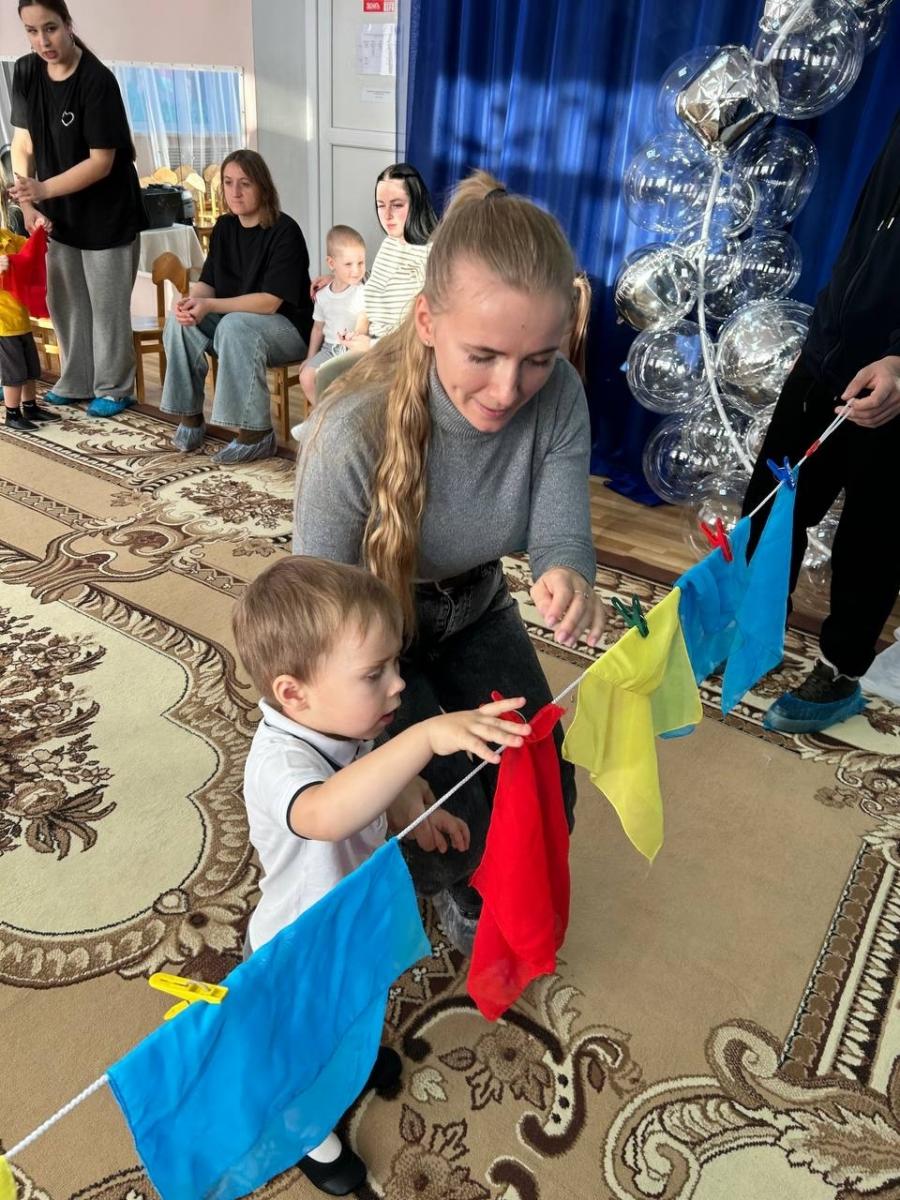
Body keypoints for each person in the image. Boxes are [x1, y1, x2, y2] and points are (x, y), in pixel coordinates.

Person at [293, 170, 605, 953]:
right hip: (365, 638)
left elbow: (562, 534)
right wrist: (381, 770)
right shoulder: (351, 431)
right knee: (433, 814)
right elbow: (318, 628)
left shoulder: (560, 394)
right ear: (428, 321)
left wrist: (568, 574)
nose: (509, 388)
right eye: (484, 355)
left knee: (542, 784)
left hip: (476, 606)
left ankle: (477, 890)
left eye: (538, 359)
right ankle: (439, 892)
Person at [232, 554, 528, 1196]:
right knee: (298, 1053)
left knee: (356, 1010)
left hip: (351, 922)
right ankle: (309, 1135)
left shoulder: (342, 722)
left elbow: (373, 784)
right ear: (294, 693)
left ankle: (351, 1066)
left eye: (396, 664)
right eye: (375, 674)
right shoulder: (280, 762)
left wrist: (416, 808)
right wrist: (423, 741)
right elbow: (327, 812)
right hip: (297, 951)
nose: (398, 685)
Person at [741, 109, 900, 734]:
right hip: (828, 355)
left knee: (872, 540)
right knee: (770, 504)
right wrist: (826, 332)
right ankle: (752, 633)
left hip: (894, 388)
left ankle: (840, 673)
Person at [10, 0, 148, 418]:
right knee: (66, 302)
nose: (42, 41)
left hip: (108, 212)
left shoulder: (97, 80)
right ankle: (76, 381)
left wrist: (42, 188)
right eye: (32, 31)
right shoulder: (26, 72)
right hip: (58, 213)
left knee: (106, 308)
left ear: (68, 24)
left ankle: (114, 387)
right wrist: (29, 203)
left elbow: (101, 162)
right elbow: (22, 143)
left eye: (50, 28)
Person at [159, 149, 313, 465]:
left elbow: (269, 302)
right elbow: (208, 282)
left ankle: (256, 434)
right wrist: (191, 302)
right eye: (228, 183)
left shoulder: (285, 231)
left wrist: (209, 304)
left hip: (289, 330)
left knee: (234, 324)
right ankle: (190, 417)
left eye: (245, 183)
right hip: (239, 324)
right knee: (179, 321)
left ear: (262, 187)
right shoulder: (225, 228)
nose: (235, 192)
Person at [0, 216, 61, 429]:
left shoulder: (6, 237)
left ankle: (30, 406)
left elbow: (29, 250)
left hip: (20, 320)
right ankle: (12, 414)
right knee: (14, 372)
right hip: (3, 326)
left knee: (29, 368)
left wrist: (38, 232)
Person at [298, 224, 366, 408]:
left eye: (361, 263)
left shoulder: (362, 291)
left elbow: (363, 322)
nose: (356, 270)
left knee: (344, 384)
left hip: (353, 349)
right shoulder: (322, 296)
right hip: (329, 349)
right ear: (331, 264)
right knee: (306, 377)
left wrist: (356, 337)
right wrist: (310, 357)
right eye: (348, 264)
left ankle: (333, 415)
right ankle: (324, 413)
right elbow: (317, 329)